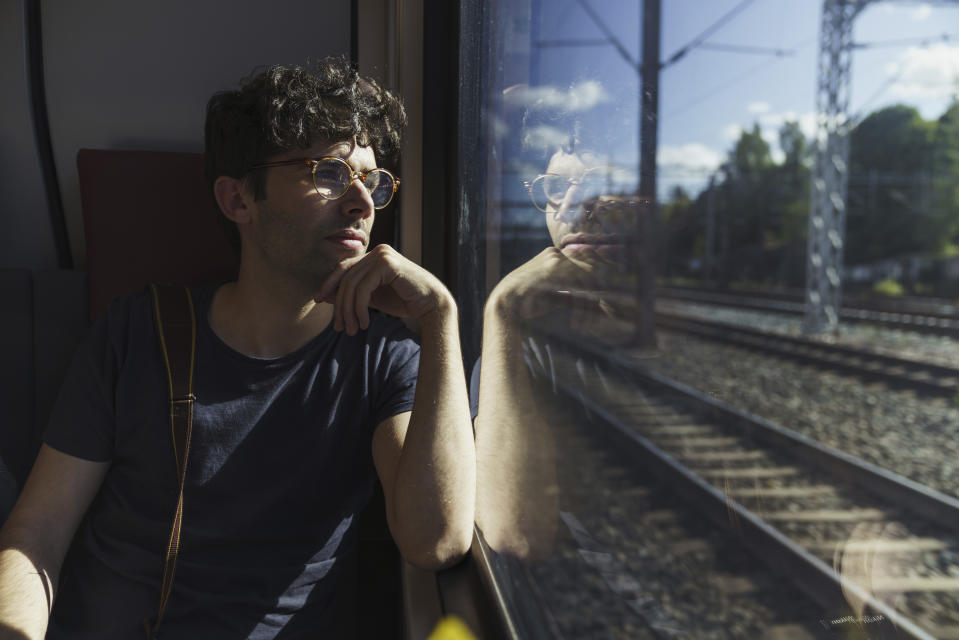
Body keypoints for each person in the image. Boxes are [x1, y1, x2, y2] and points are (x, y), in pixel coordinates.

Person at [0, 58, 475, 639]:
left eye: (373, 180)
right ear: (238, 201)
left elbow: (435, 542)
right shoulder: (139, 332)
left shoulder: (383, 358)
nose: (362, 203)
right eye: (327, 172)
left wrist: (440, 318)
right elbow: (37, 533)